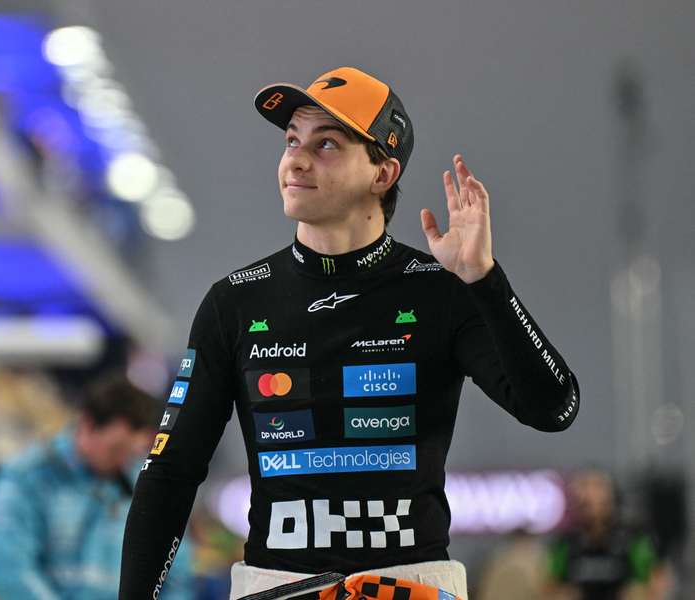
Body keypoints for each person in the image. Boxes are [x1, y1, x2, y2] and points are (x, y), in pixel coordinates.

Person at [120, 66, 580, 599]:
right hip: (277, 587)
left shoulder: (442, 290)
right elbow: (170, 472)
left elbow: (554, 409)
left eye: (327, 144)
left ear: (382, 174)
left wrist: (484, 281)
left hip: (415, 585)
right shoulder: (236, 301)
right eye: (292, 140)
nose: (296, 158)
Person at [0, 372, 192, 599]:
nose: (123, 462)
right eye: (116, 449)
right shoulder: (26, 480)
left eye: (132, 453)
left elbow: (175, 572)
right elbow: (10, 570)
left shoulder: (144, 485)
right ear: (88, 425)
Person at [545, 469, 662, 600]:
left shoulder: (632, 540)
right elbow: (549, 586)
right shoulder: (565, 543)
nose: (589, 494)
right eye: (584, 488)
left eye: (596, 488)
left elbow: (656, 580)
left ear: (611, 497)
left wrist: (640, 592)